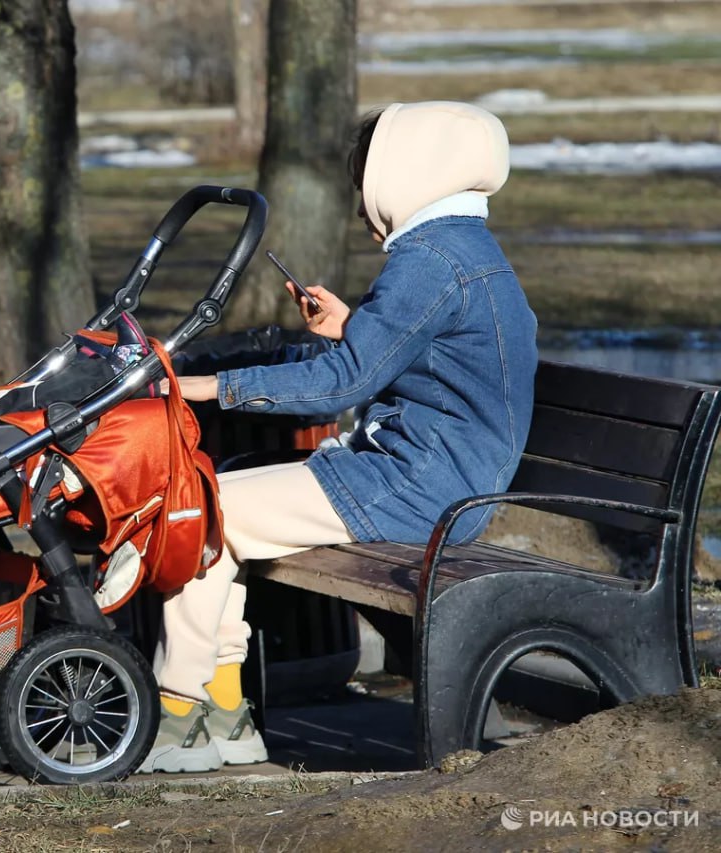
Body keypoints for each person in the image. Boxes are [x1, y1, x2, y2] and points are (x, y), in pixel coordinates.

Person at [137, 100, 539, 774]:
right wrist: (357, 327)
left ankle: (180, 715)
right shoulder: (464, 251)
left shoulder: (429, 262)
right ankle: (223, 709)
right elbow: (431, 360)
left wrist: (204, 385)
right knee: (216, 501)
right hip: (441, 479)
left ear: (409, 173)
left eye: (366, 185)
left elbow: (338, 387)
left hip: (421, 489)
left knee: (201, 507)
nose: (360, 207)